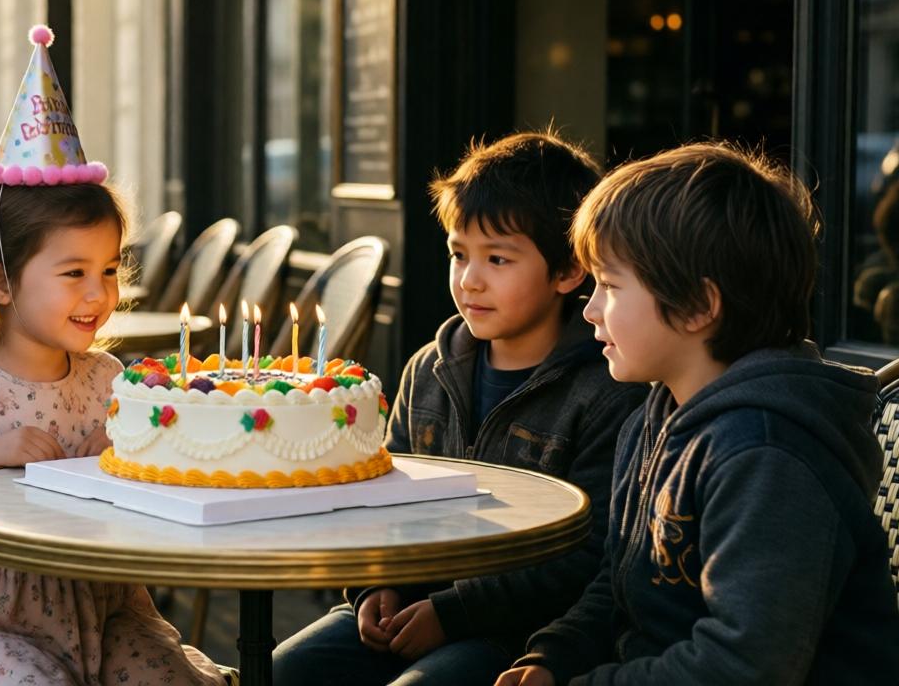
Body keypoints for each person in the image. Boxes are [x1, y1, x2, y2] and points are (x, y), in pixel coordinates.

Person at [0, 24, 225, 685]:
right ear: (0, 281)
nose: (100, 295)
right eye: (73, 274)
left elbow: (143, 510)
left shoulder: (110, 379)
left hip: (100, 608)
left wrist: (136, 466)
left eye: (110, 269)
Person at [496, 143, 899, 686]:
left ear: (697, 306)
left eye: (611, 286)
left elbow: (744, 666)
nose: (589, 309)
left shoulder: (766, 453)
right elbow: (616, 585)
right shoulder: (654, 417)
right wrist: (553, 659)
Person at [272, 132, 646, 685]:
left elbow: (586, 555)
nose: (470, 279)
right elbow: (382, 496)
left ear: (568, 271)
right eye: (458, 254)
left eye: (497, 259)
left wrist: (452, 615)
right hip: (407, 605)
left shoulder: (604, 390)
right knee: (280, 672)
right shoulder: (430, 369)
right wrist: (376, 586)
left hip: (519, 632)